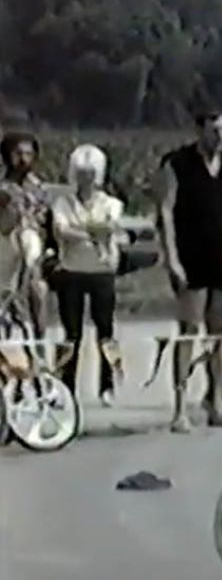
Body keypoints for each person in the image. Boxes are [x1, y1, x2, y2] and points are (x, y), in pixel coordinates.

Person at [156, 109, 222, 433]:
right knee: (189, 328)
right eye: (213, 130)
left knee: (221, 330)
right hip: (191, 253)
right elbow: (166, 211)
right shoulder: (178, 164)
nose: (219, 137)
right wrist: (172, 257)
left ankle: (218, 401)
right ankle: (180, 407)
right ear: (200, 130)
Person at [50, 145, 126, 403]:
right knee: (71, 334)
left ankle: (108, 385)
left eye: (92, 172)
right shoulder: (62, 203)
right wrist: (91, 232)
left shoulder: (111, 203)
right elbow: (61, 230)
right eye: (82, 172)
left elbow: (109, 226)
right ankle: (65, 386)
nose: (87, 177)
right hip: (71, 271)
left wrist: (80, 230)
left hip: (102, 271)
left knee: (106, 331)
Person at [0, 132, 51, 339]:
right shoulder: (3, 190)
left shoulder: (39, 188)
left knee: (38, 290)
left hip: (34, 253)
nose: (23, 159)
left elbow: (46, 221)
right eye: (18, 154)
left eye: (28, 154)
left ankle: (40, 339)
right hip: (7, 251)